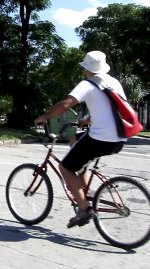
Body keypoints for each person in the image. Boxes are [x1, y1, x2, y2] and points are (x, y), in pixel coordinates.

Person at [34, 51, 127, 228]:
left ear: (88, 69)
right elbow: (113, 110)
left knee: (65, 167)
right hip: (119, 138)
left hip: (100, 139)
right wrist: (88, 120)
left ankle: (84, 209)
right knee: (75, 140)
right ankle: (83, 187)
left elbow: (66, 104)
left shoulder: (88, 84)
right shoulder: (114, 83)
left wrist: (44, 117)